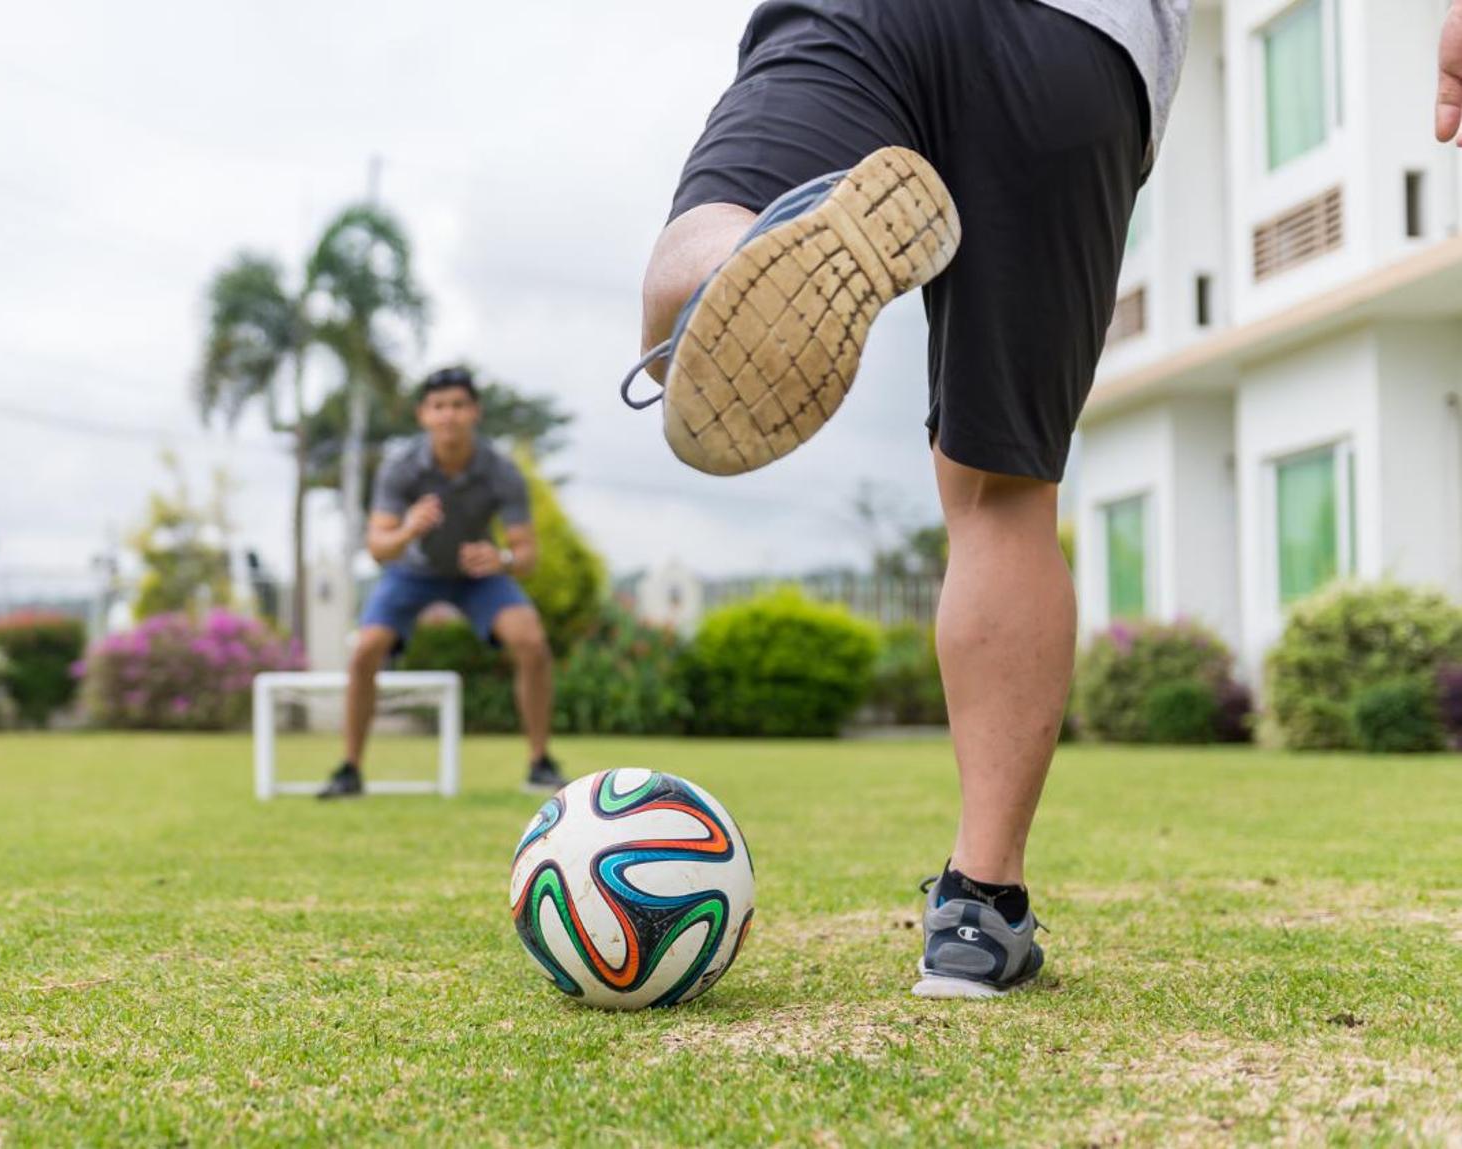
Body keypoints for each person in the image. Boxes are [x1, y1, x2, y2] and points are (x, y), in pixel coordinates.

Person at [623, 0, 1190, 998]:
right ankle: (979, 910)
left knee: (685, 287)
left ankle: (742, 258)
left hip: (870, 16)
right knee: (999, 497)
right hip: (1076, 36)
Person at [319, 367, 567, 799]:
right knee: (365, 649)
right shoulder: (401, 468)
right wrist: (408, 529)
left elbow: (527, 556)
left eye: (458, 405)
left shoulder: (501, 470)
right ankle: (350, 769)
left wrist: (502, 559)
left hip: (477, 576)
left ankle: (540, 763)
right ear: (423, 415)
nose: (448, 415)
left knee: (531, 642)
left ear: (475, 412)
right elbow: (378, 548)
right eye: (438, 407)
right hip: (411, 573)